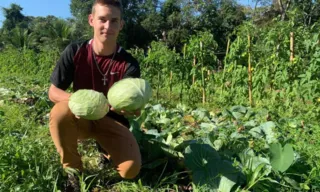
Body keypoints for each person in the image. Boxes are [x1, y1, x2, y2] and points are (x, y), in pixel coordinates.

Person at [48, 0, 141, 191]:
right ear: (91, 20)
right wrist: (84, 102)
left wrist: (131, 109)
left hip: (111, 121)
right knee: (59, 112)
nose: (108, 26)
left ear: (121, 25)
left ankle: (105, 150)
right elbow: (53, 92)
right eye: (102, 19)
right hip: (80, 117)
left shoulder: (129, 64)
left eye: (114, 21)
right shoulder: (75, 52)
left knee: (130, 171)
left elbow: (130, 102)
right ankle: (73, 171)